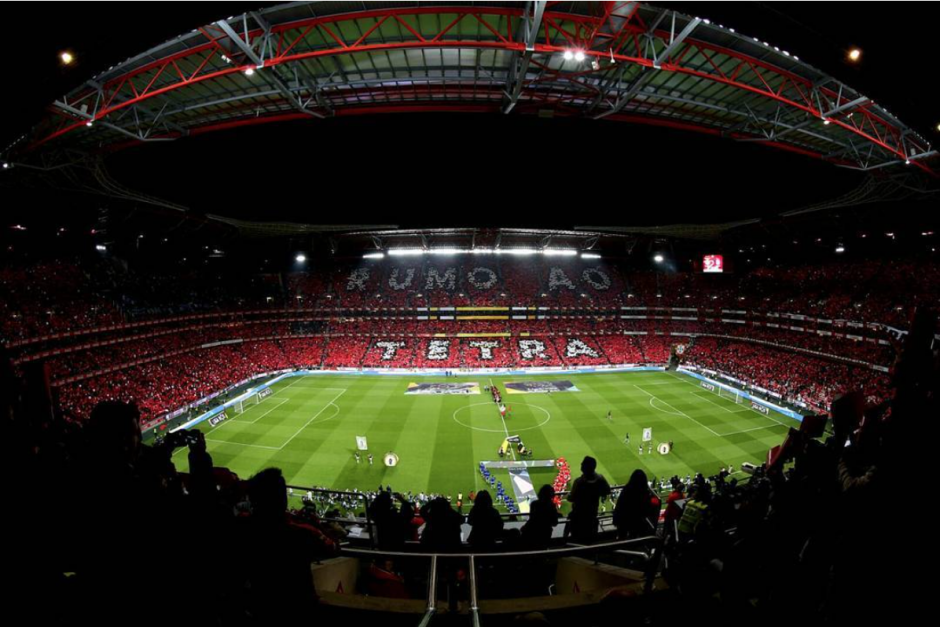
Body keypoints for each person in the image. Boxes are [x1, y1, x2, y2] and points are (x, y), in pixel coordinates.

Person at [566, 456, 611, 544]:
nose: (581, 464)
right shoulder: (600, 479)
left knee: (576, 538)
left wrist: (568, 496)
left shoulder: (579, 482)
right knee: (590, 538)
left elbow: (571, 498)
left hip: (578, 515)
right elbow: (607, 490)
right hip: (592, 514)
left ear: (585, 467)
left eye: (583, 463)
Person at [613, 469, 661, 539]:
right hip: (636, 520)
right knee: (633, 536)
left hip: (623, 518)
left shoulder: (627, 488)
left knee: (622, 536)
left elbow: (620, 504)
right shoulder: (644, 492)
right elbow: (646, 508)